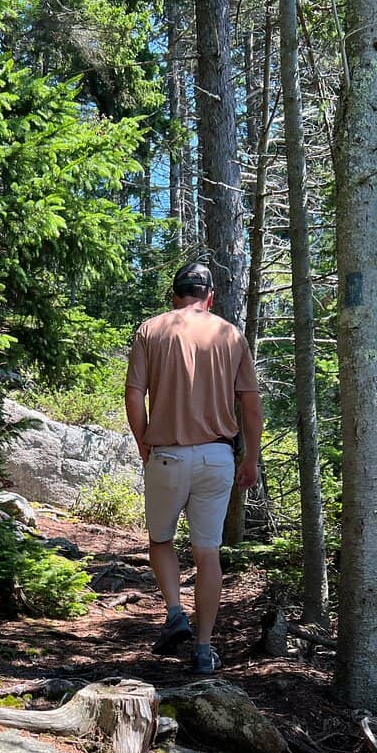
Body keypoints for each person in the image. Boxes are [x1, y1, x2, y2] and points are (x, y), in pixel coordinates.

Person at [125, 262, 263, 675]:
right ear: (210, 297)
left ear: (174, 296)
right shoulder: (230, 335)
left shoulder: (150, 330)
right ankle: (203, 649)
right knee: (207, 553)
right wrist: (250, 458)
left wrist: (142, 440)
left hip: (166, 454)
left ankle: (174, 614)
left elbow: (134, 395)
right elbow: (251, 409)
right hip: (217, 458)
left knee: (161, 540)